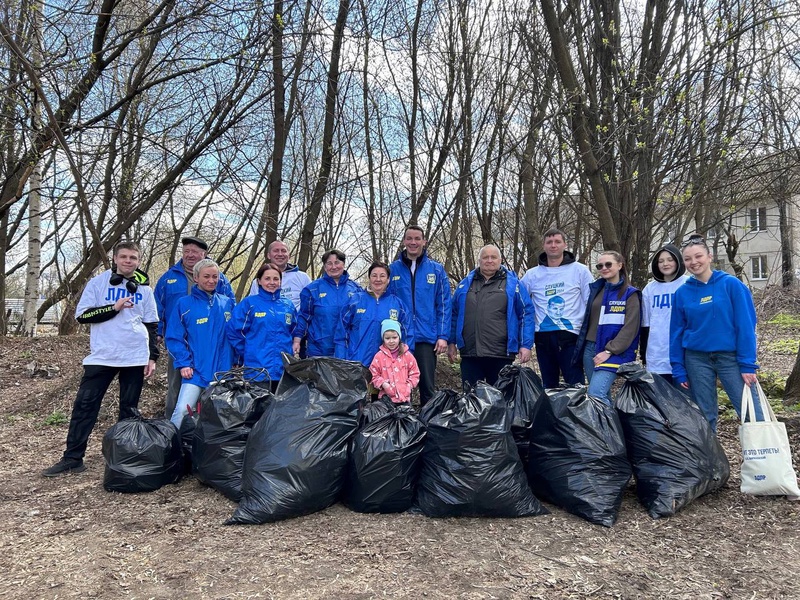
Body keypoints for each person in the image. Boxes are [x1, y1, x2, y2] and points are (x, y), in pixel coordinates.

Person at [43, 242, 159, 477]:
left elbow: (151, 325)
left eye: (133, 258)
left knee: (129, 410)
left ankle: (123, 459)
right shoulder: (97, 284)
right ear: (115, 258)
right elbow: (83, 316)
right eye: (124, 256)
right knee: (85, 405)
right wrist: (113, 307)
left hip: (135, 356)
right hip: (102, 355)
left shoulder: (144, 290)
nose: (128, 261)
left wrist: (152, 357)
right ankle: (73, 458)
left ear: (138, 261)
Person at [670, 235, 763, 432]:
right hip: (696, 359)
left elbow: (746, 325)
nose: (694, 262)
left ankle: (765, 457)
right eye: (688, 259)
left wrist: (748, 363)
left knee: (750, 409)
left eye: (698, 256)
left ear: (709, 256)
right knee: (704, 413)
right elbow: (676, 333)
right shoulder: (682, 293)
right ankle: (710, 459)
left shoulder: (731, 285)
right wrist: (678, 367)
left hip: (730, 358)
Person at [155, 236, 235, 419]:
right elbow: (157, 306)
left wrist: (237, 355)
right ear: (198, 278)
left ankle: (201, 440)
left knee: (214, 408)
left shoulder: (223, 293)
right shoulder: (170, 279)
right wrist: (158, 332)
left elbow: (233, 324)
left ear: (203, 254)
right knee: (178, 394)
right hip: (186, 351)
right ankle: (171, 435)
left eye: (195, 252)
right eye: (186, 251)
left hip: (218, 359)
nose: (190, 255)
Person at [448, 244, 535, 387]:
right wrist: (451, 342)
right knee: (472, 401)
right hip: (470, 353)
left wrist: (526, 344)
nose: (489, 260)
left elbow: (526, 313)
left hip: (500, 354)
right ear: (479, 260)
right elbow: (454, 314)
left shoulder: (513, 284)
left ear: (500, 260)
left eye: (493, 257)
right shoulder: (465, 285)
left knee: (501, 400)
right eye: (485, 257)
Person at [520, 228, 593, 388]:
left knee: (575, 384)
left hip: (571, 336)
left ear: (565, 245)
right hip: (543, 336)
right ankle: (550, 413)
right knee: (548, 384)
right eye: (549, 242)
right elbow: (520, 302)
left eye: (557, 242)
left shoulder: (580, 270)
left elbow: (591, 302)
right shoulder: (532, 274)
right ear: (544, 246)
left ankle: (577, 413)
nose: (553, 245)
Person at [388, 226, 452, 406]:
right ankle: (403, 427)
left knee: (427, 388)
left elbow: (444, 305)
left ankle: (429, 427)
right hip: (399, 339)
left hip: (426, 337)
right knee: (398, 387)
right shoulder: (393, 270)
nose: (413, 242)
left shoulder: (436, 270)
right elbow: (388, 304)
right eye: (409, 238)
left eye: (417, 238)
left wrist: (442, 336)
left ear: (424, 241)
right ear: (404, 241)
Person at [574, 251, 641, 405]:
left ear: (620, 265)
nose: (604, 268)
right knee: (600, 399)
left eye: (608, 264)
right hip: (590, 348)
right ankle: (608, 428)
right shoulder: (596, 290)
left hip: (613, 352)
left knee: (596, 393)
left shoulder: (630, 294)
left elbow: (630, 328)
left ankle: (613, 428)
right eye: (600, 265)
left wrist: (610, 350)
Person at [228, 263, 297, 392]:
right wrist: (249, 351)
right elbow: (234, 332)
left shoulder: (288, 305)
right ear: (259, 281)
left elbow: (292, 329)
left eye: (276, 279)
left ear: (281, 281)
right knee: (259, 410)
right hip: (257, 371)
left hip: (283, 371)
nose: (272, 282)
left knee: (280, 410)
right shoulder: (249, 304)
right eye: (267, 278)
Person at [335, 261, 415, 370]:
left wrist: (404, 361)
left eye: (382, 276)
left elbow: (407, 335)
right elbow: (341, 334)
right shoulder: (355, 301)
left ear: (388, 280)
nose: (378, 279)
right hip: (357, 364)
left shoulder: (398, 305)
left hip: (388, 368)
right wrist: (341, 361)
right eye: (374, 275)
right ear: (369, 278)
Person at [292, 249, 361, 357]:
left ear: (343, 264)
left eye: (337, 262)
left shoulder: (356, 289)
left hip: (347, 350)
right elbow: (304, 317)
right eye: (329, 263)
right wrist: (297, 340)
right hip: (318, 350)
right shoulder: (312, 289)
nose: (333, 267)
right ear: (324, 267)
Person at [640, 244, 689, 385]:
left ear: (678, 261)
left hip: (683, 353)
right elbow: (646, 324)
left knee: (685, 401)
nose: (665, 264)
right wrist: (644, 355)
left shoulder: (687, 284)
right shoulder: (650, 289)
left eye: (669, 260)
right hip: (656, 355)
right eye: (661, 261)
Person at [248, 240, 311, 310]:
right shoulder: (258, 282)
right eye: (276, 251)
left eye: (283, 251)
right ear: (268, 255)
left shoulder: (303, 277)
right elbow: (252, 307)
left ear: (289, 255)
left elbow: (311, 303)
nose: (280, 254)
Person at [369, 319, 421, 405]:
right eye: (387, 338)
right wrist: (383, 384)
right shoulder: (379, 356)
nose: (391, 341)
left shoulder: (407, 355)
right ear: (383, 339)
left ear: (399, 337)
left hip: (404, 399)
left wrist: (409, 386)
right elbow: (373, 374)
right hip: (385, 400)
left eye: (394, 337)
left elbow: (415, 373)